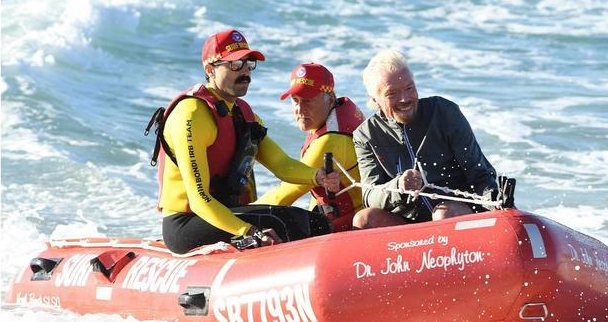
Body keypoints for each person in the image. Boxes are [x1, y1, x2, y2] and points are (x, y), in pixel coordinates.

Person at [146, 29, 339, 253]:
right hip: (186, 224)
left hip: (226, 215)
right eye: (235, 64)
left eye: (248, 63)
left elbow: (282, 165)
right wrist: (247, 231)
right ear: (210, 69)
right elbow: (198, 199)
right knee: (285, 222)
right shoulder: (192, 114)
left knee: (314, 222)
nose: (246, 71)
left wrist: (318, 176)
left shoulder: (242, 115)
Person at [352, 50, 497, 228]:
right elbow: (369, 195)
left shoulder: (444, 112)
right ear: (374, 99)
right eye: (392, 94)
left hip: (455, 213)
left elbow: (480, 173)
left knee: (442, 214)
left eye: (409, 88)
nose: (405, 99)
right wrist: (399, 186)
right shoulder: (366, 135)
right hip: (409, 224)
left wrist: (497, 204)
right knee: (364, 219)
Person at [255, 63, 365, 231]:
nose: (300, 109)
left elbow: (283, 196)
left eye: (308, 101)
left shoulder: (330, 141)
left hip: (353, 230)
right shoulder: (335, 117)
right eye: (295, 100)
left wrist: (236, 216)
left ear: (329, 98)